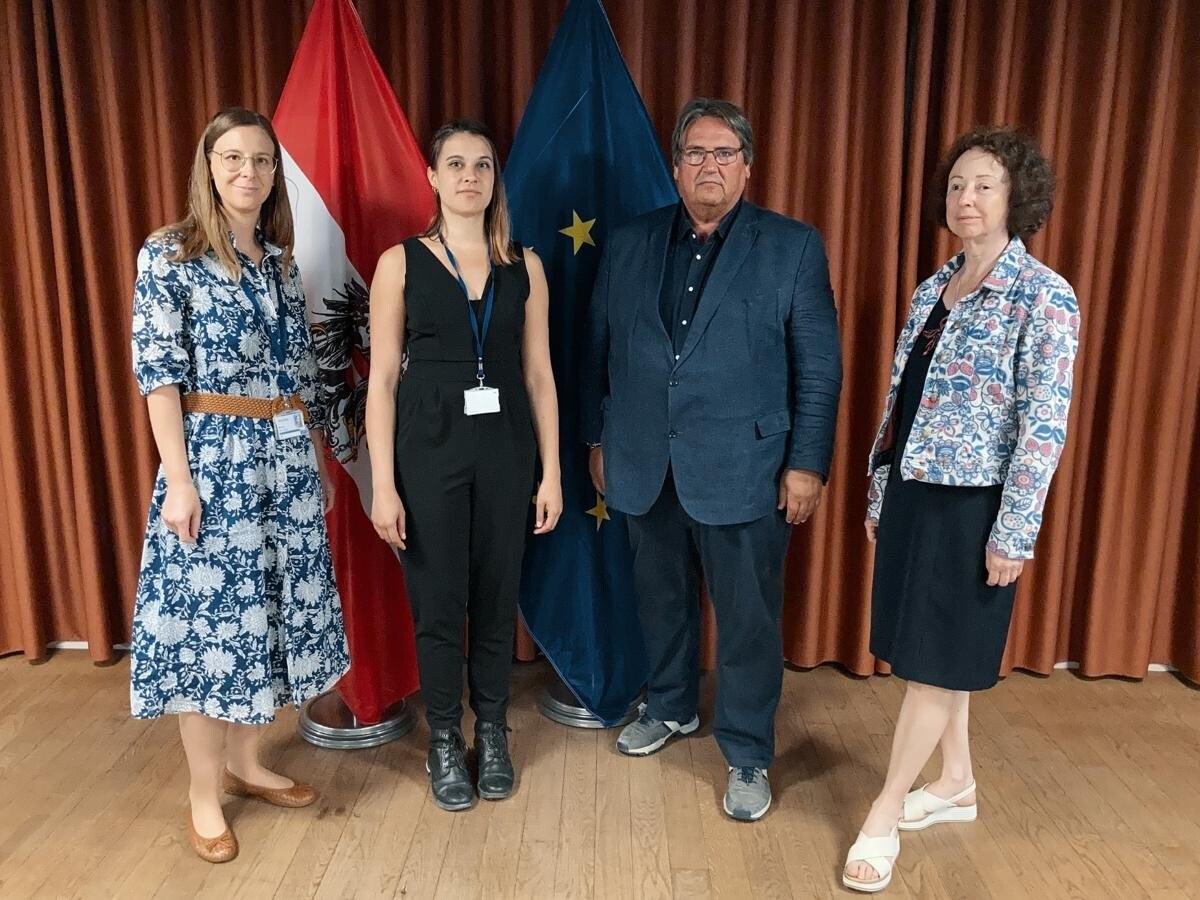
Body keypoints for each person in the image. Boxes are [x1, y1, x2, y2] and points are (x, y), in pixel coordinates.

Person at [581, 98, 843, 821]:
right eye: (695, 154)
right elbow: (595, 351)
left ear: (747, 167)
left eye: (723, 153)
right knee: (659, 601)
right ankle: (669, 707)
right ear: (674, 166)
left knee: (748, 620)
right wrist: (597, 439)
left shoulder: (792, 246)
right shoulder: (631, 242)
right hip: (642, 463)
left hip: (748, 470)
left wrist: (807, 464)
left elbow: (818, 368)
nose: (708, 166)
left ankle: (749, 751)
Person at [843, 127, 1080, 892]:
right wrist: (883, 489)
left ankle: (882, 813)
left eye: (983, 185)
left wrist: (1014, 531)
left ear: (1017, 198)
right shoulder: (931, 288)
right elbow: (900, 402)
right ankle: (956, 784)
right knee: (932, 654)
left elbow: (1044, 426)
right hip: (916, 492)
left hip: (976, 507)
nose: (966, 198)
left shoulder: (1044, 297)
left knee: (938, 667)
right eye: (956, 186)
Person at [129, 107, 350, 864]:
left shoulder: (279, 262)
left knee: (270, 619)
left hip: (284, 463)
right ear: (208, 166)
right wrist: (180, 481)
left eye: (260, 160)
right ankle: (202, 792)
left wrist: (318, 458)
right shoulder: (168, 256)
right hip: (213, 462)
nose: (247, 172)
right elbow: (159, 376)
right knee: (209, 631)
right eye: (231, 158)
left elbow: (299, 374)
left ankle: (249, 763)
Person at [366, 120, 562, 812]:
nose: (469, 177)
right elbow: (383, 379)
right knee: (439, 603)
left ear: (494, 178)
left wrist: (553, 474)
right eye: (456, 164)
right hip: (428, 452)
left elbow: (540, 376)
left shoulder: (525, 265)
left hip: (507, 454)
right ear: (433, 176)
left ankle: (493, 734)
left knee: (495, 596)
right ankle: (446, 739)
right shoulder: (401, 263)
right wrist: (382, 483)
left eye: (482, 165)